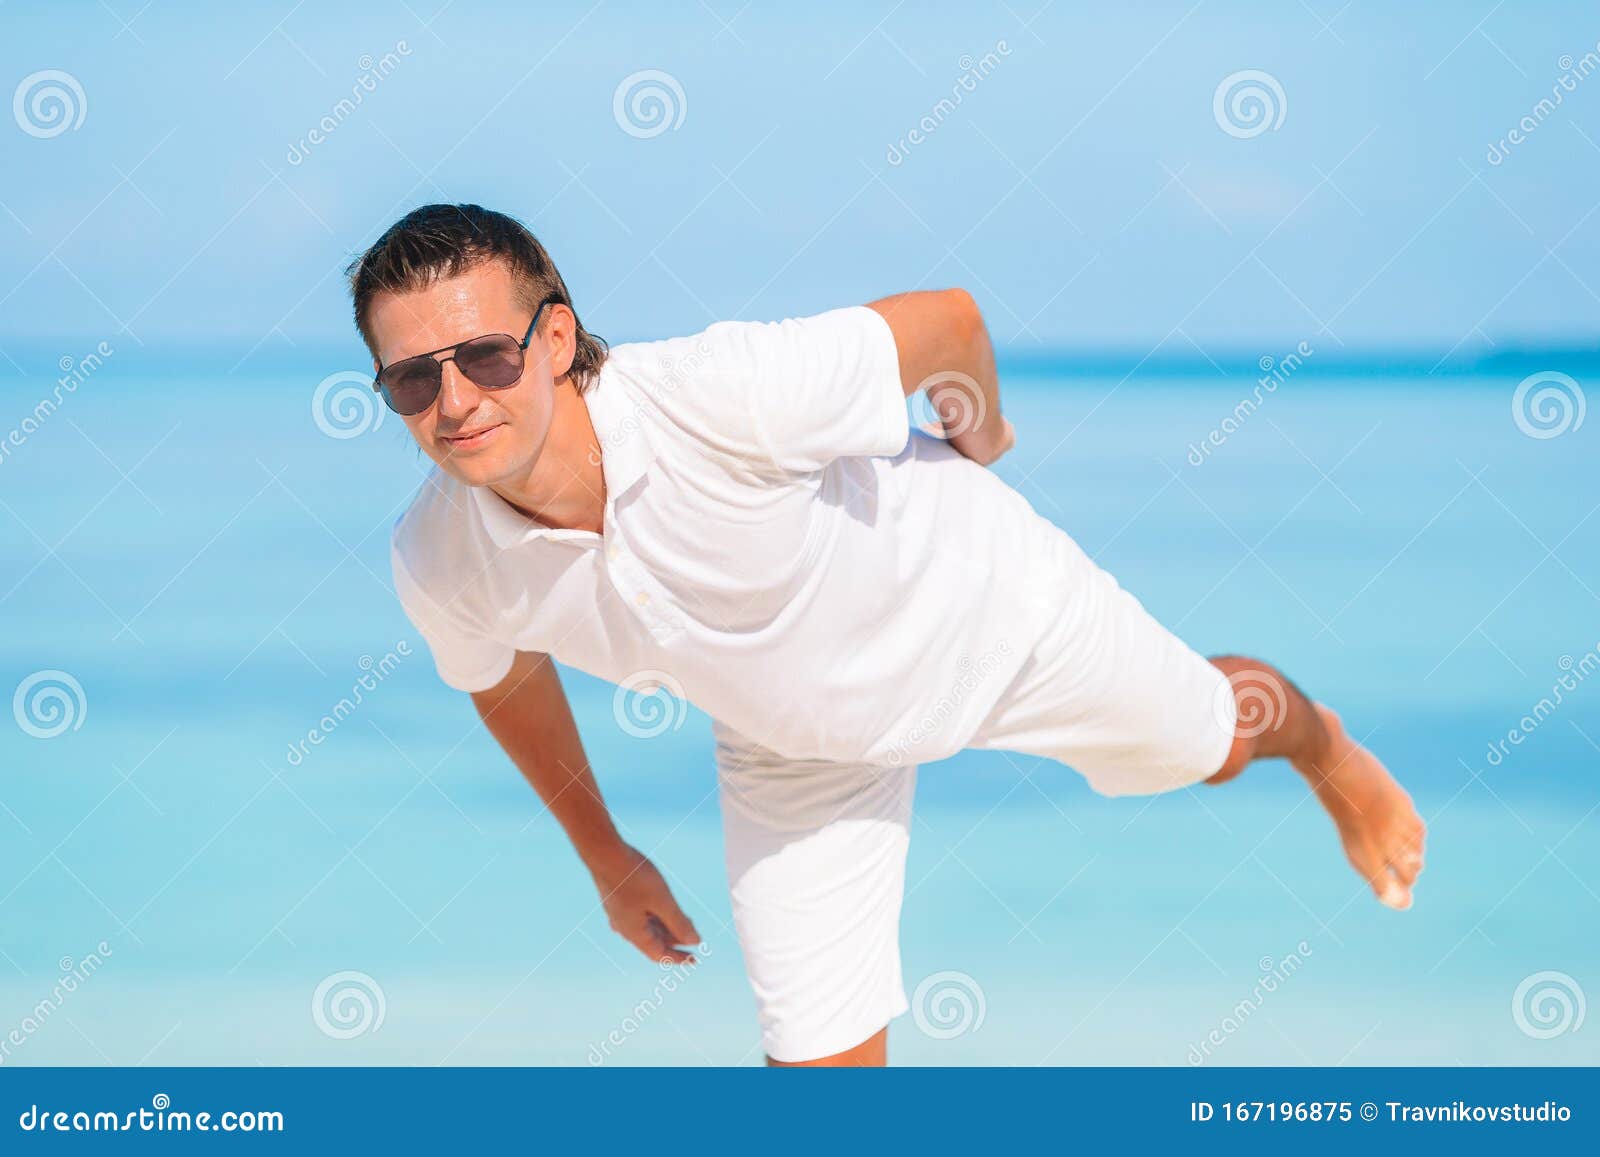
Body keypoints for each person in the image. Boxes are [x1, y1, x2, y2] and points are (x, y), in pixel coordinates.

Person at [347, 203, 1426, 1067]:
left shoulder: (723, 394)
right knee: (815, 1074)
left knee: (1216, 741)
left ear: (558, 338)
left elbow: (948, 321)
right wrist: (607, 855)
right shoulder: (438, 556)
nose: (452, 400)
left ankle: (1326, 748)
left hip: (997, 612)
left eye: (483, 354)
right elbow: (502, 676)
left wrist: (980, 428)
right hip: (794, 741)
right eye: (411, 376)